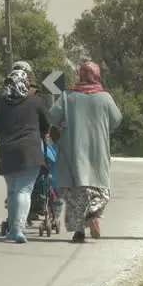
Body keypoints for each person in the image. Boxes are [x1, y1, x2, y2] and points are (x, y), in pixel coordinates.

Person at [49, 60, 122, 243]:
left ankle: (79, 232)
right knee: (101, 190)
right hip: (98, 151)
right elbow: (116, 120)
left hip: (72, 151)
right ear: (96, 75)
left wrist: (63, 125)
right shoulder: (104, 97)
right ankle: (93, 212)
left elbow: (52, 115)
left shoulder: (68, 96)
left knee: (75, 194)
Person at [0, 67, 50, 244]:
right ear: (25, 84)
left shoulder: (1, 103)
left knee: (12, 191)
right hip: (29, 151)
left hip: (6, 151)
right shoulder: (35, 102)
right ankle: (18, 229)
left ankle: (12, 228)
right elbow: (46, 124)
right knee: (24, 190)